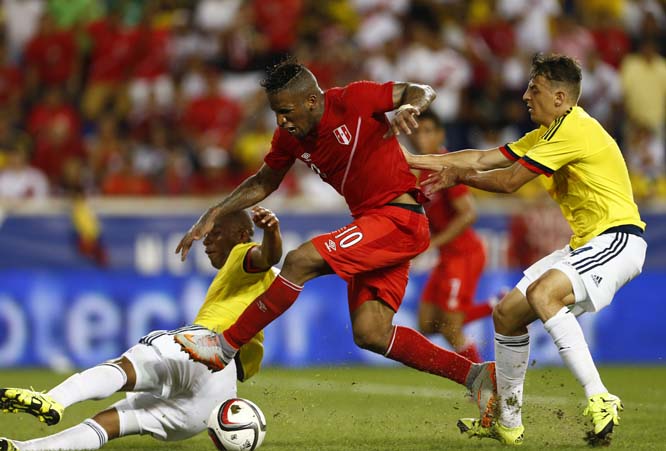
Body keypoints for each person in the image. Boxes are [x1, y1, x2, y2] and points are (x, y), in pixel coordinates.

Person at [173, 59, 496, 409]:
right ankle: (477, 377)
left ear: (311, 100)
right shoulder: (289, 138)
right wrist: (215, 211)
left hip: (398, 218)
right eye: (276, 113)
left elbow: (421, 90)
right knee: (371, 333)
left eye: (286, 111)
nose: (281, 121)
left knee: (299, 260)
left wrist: (408, 106)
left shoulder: (354, 99)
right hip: (377, 225)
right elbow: (265, 180)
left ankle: (224, 347)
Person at [404, 53, 647, 446]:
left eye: (535, 88)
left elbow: (509, 181)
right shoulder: (547, 135)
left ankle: (600, 396)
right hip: (587, 243)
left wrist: (458, 176)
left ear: (561, 96)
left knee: (543, 292)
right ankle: (508, 422)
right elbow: (480, 158)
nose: (524, 95)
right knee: (507, 315)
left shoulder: (575, 128)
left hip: (618, 239)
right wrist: (412, 160)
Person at [0, 206, 282, 451]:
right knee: (109, 423)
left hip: (205, 351)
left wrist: (271, 231)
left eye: (216, 234)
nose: (207, 243)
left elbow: (266, 255)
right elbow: (280, 264)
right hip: (214, 400)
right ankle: (22, 448)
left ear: (242, 235)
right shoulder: (269, 281)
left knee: (124, 369)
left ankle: (53, 399)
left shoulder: (244, 256)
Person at [407, 110, 497, 363]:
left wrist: (432, 244)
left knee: (450, 327)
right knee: (426, 323)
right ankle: (494, 306)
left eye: (427, 131)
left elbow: (469, 214)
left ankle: (485, 383)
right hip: (447, 256)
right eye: (416, 131)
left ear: (440, 135)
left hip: (464, 254)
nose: (420, 137)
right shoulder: (420, 170)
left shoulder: (446, 166)